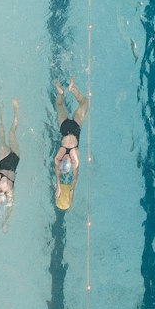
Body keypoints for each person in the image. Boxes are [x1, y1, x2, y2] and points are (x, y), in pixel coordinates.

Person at [53, 79, 90, 210]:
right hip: (65, 128)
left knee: (85, 103)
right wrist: (57, 184)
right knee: (59, 105)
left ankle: (72, 88)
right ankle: (62, 91)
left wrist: (71, 190)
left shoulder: (75, 159)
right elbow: (57, 169)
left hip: (75, 129)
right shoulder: (59, 156)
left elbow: (75, 176)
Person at [0, 98, 20, 207]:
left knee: (12, 132)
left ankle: (16, 110)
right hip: (4, 158)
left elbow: (10, 207)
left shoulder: (10, 192)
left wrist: (6, 222)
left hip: (15, 159)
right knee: (1, 133)